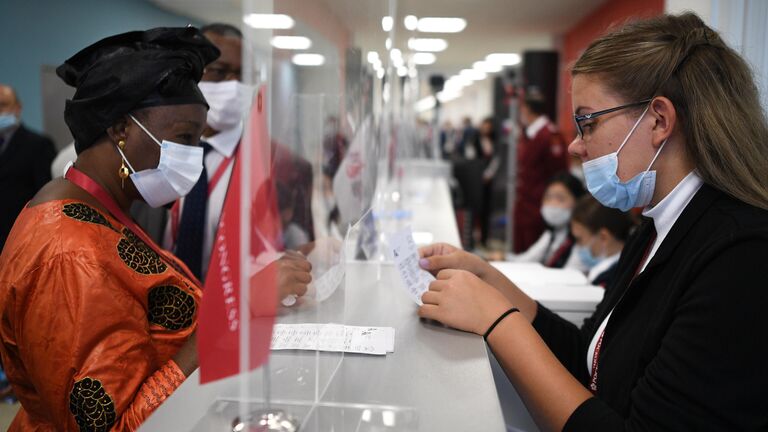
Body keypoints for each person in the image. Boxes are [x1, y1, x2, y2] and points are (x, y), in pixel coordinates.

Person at [418, 13, 768, 431]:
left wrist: (497, 323)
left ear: (658, 120)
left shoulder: (741, 254)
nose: (575, 144)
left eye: (588, 121)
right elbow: (590, 357)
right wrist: (489, 279)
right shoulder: (657, 227)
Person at [0, 27, 309, 431]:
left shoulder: (100, 209)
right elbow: (114, 425)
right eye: (183, 137)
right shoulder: (68, 255)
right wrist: (236, 310)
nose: (193, 155)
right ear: (120, 129)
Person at [0, 84, 57, 251]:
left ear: (18, 108)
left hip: (22, 242)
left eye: (3, 105)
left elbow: (46, 198)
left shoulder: (38, 145)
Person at [513, 90, 569, 253]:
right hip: (525, 205)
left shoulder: (549, 135)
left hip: (538, 207)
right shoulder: (529, 134)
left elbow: (559, 174)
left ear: (526, 109)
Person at [508, 172, 586, 271]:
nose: (552, 204)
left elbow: (571, 273)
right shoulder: (551, 234)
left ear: (578, 201)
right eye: (548, 198)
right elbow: (527, 259)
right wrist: (504, 258)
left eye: (560, 199)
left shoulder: (581, 238)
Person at [570, 195, 636, 287]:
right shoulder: (629, 263)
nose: (578, 246)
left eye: (580, 239)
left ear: (604, 237)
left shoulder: (607, 279)